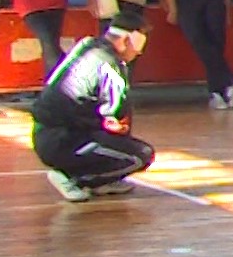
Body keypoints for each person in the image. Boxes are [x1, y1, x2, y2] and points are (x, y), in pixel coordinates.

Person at [31, 11, 155, 203]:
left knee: (114, 142)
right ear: (125, 41)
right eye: (138, 47)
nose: (139, 53)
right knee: (141, 155)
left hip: (44, 134)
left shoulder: (87, 45)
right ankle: (73, 179)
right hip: (64, 141)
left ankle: (99, 180)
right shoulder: (111, 66)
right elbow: (115, 120)